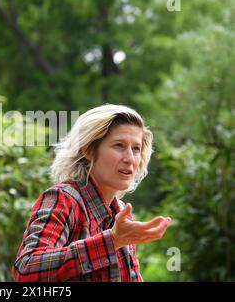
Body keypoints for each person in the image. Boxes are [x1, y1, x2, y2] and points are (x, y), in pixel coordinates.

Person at [12, 104, 172, 282]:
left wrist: (115, 239)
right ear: (88, 149)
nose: (130, 159)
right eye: (119, 145)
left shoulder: (121, 215)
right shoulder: (64, 199)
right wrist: (111, 241)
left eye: (136, 149)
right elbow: (26, 270)